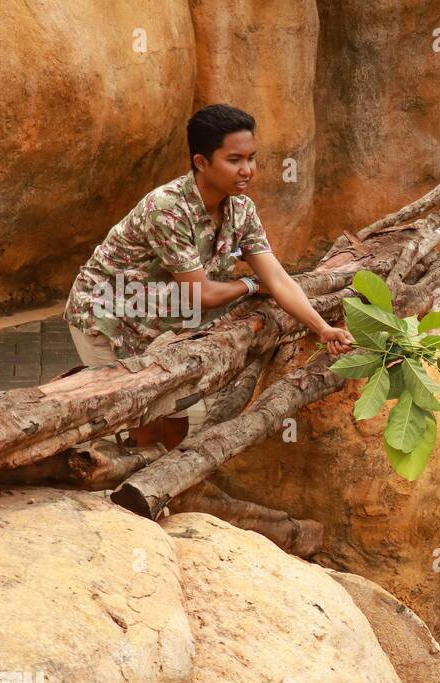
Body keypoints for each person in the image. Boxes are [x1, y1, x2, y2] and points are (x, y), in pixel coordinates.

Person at [62, 103, 354, 448]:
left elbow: (278, 280)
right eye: (235, 160)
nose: (247, 170)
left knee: (174, 425)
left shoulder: (240, 209)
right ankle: (115, 494)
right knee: (139, 423)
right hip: (106, 317)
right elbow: (200, 294)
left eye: (251, 158)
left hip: (159, 323)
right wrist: (248, 284)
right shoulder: (167, 209)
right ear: (201, 162)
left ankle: (163, 491)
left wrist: (322, 328)